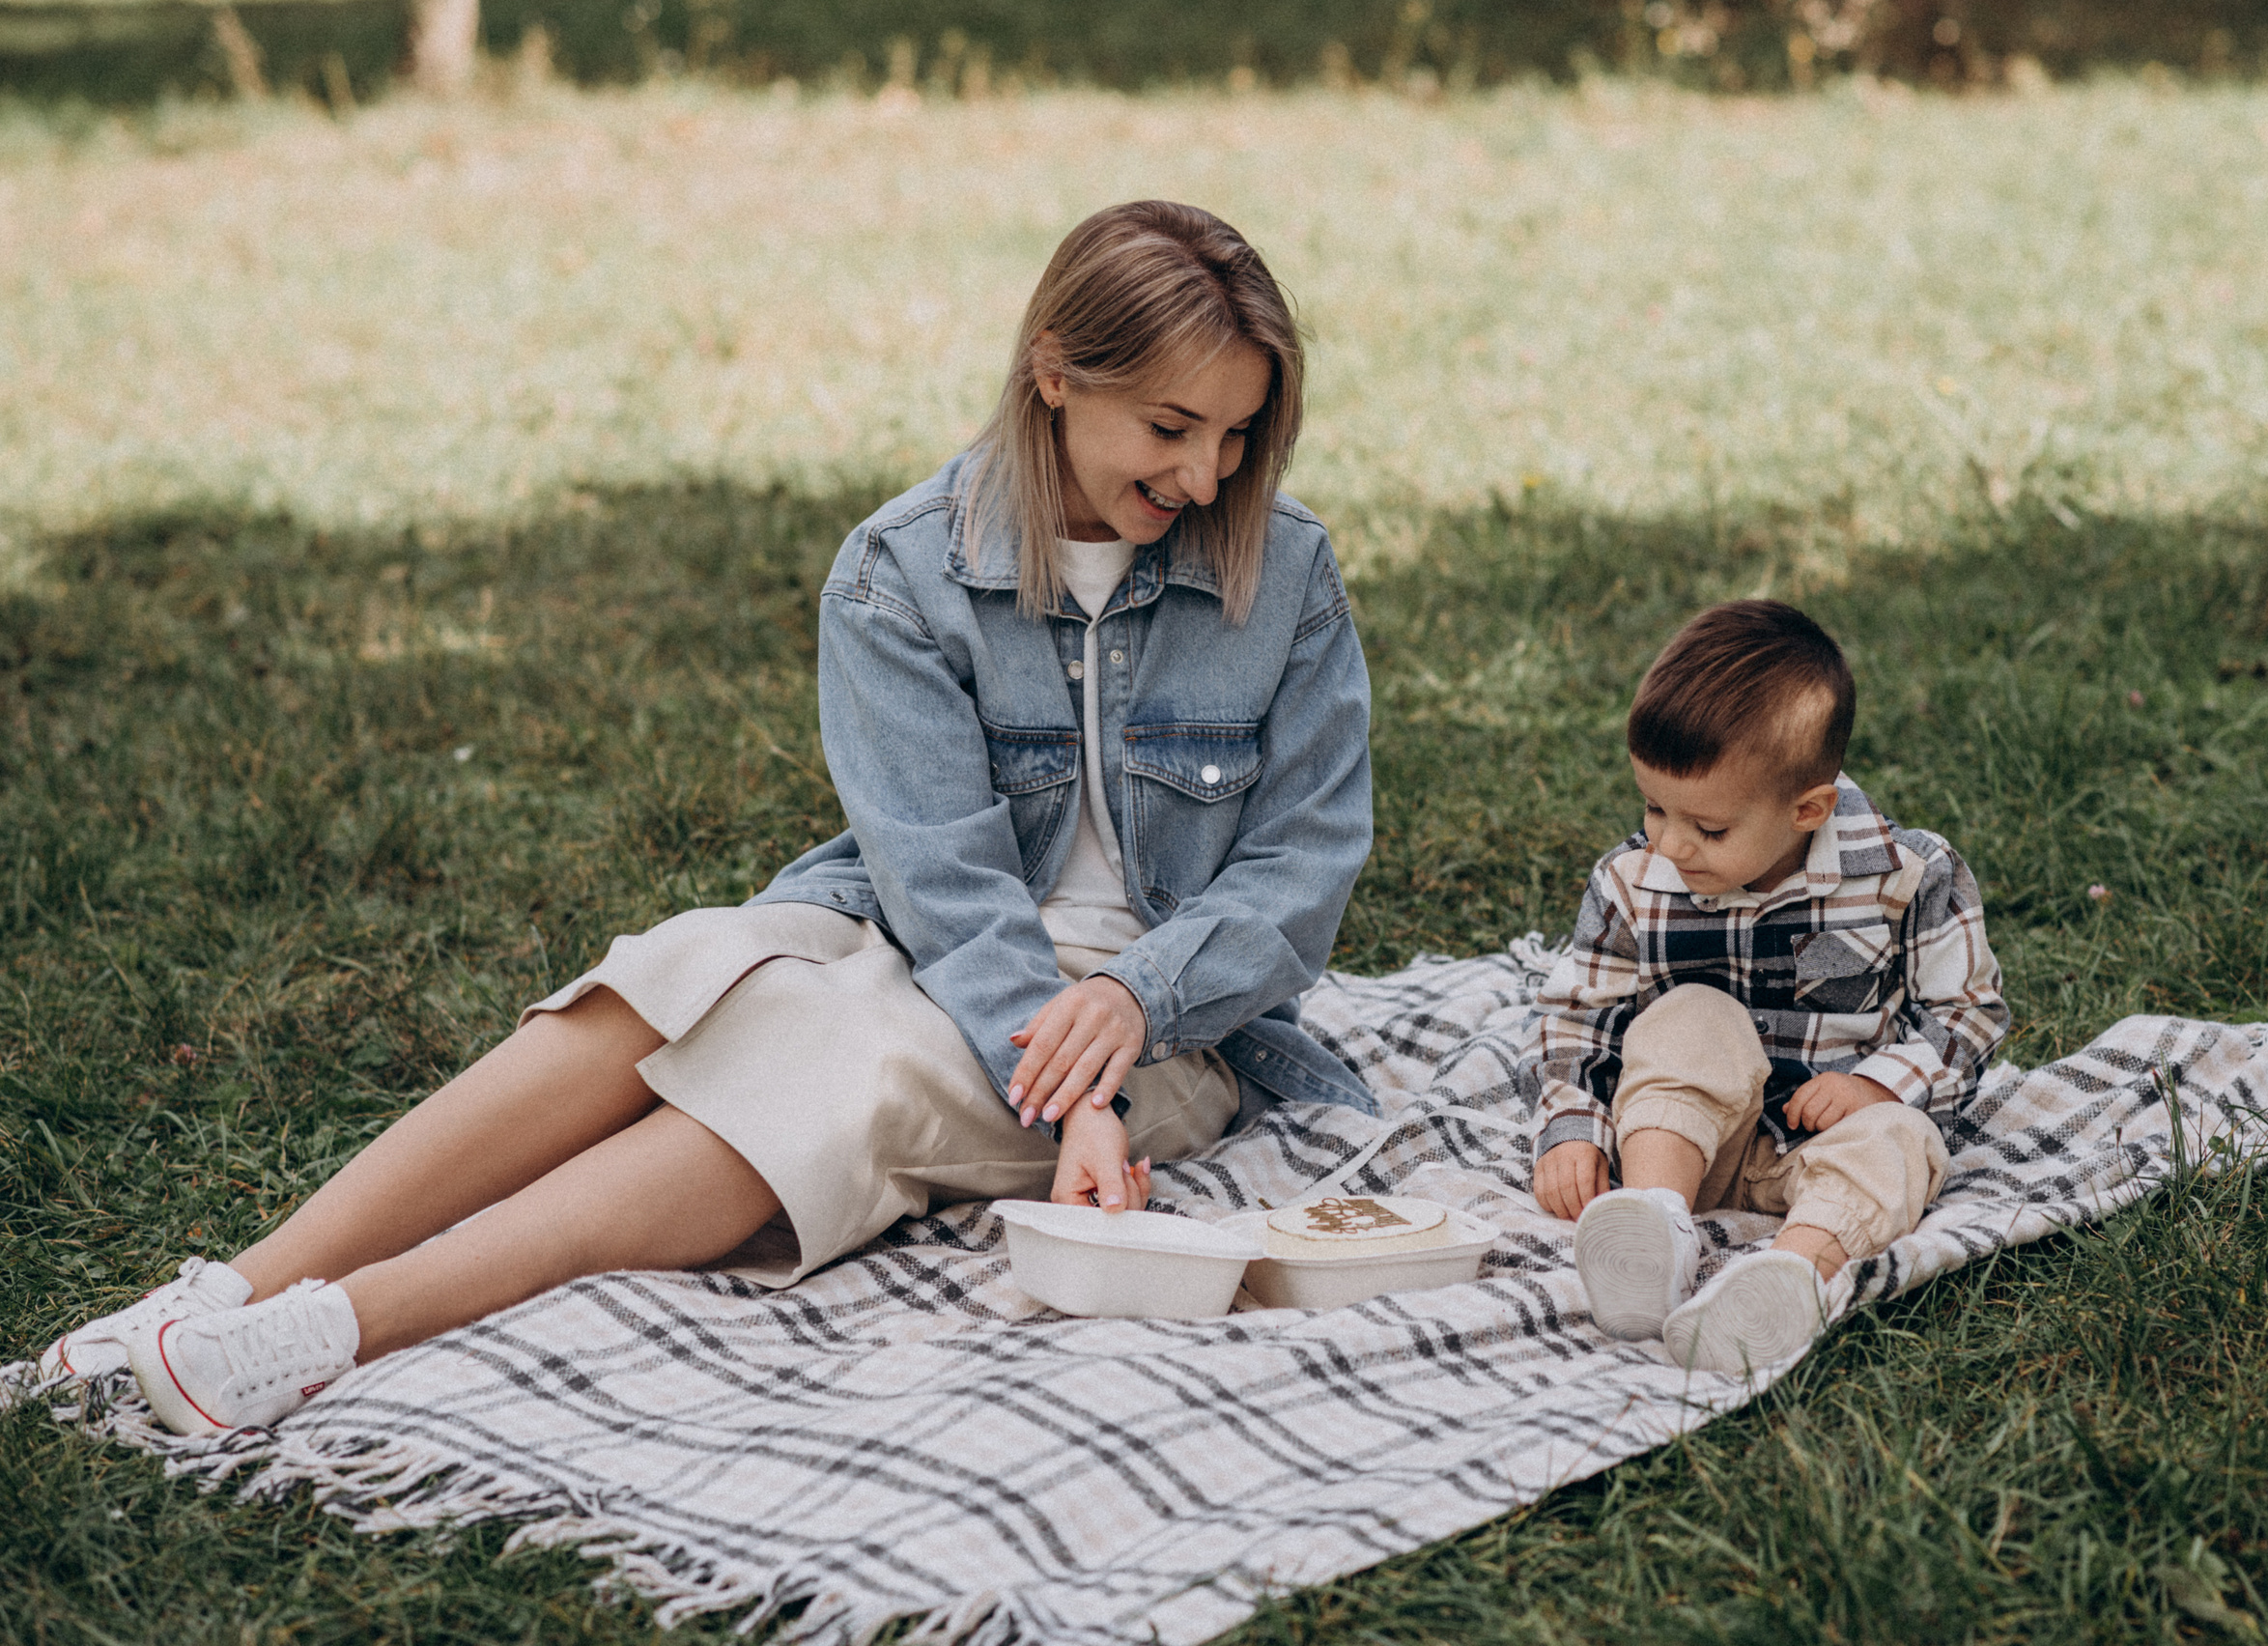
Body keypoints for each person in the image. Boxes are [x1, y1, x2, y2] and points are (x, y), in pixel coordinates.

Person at [42, 200, 1379, 1435]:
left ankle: (338, 1329)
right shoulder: (902, 572)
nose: (1208, 475)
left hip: (1171, 1018)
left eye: (1237, 434)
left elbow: (1303, 867)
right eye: (1169, 427)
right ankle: (226, 1288)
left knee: (849, 1064)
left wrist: (1121, 1034)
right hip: (920, 927)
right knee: (680, 971)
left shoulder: (1289, 570)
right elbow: (940, 877)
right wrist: (1054, 1070)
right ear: (1054, 371)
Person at [1525, 599, 2007, 1374]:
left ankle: (1785, 1275)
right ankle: (1655, 1228)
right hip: (1688, 1146)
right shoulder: (1633, 881)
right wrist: (1573, 1127)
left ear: (1806, 809)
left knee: (1903, 1142)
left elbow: (1968, 1012)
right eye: (1653, 806)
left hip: (1825, 1151)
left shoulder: (1906, 875)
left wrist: (1880, 1087)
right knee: (1689, 1016)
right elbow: (1576, 1021)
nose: (1671, 843)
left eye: (1708, 828)